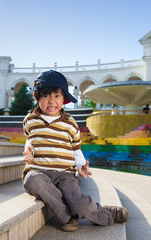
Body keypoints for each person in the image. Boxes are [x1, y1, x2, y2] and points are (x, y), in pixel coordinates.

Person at [22, 70, 130, 232]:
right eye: (46, 96)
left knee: (80, 203)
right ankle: (68, 217)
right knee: (33, 182)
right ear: (37, 97)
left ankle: (106, 214)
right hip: (38, 170)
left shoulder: (70, 123)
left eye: (56, 96)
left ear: (64, 99)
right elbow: (30, 139)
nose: (51, 101)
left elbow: (76, 149)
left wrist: (81, 165)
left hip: (65, 173)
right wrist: (28, 151)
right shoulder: (30, 119)